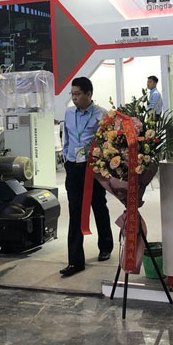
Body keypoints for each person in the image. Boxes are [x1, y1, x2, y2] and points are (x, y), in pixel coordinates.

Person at [61, 77, 111, 277]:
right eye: (72, 94)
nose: (74, 98)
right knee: (75, 212)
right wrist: (67, 158)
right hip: (73, 167)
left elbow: (108, 143)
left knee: (98, 206)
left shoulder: (102, 114)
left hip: (93, 169)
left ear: (88, 94)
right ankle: (75, 261)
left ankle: (105, 245)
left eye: (77, 94)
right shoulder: (68, 113)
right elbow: (66, 137)